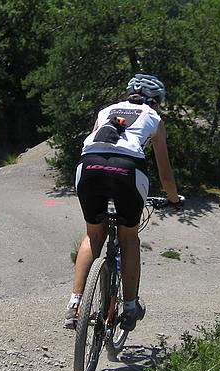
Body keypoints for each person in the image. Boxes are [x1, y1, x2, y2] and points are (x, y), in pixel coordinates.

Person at [64, 73, 182, 331]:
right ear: (155, 101)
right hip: (127, 169)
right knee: (129, 238)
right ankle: (130, 307)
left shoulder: (106, 110)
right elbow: (165, 174)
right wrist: (174, 200)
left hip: (88, 166)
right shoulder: (154, 118)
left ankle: (74, 305)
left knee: (93, 236)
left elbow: (95, 142)